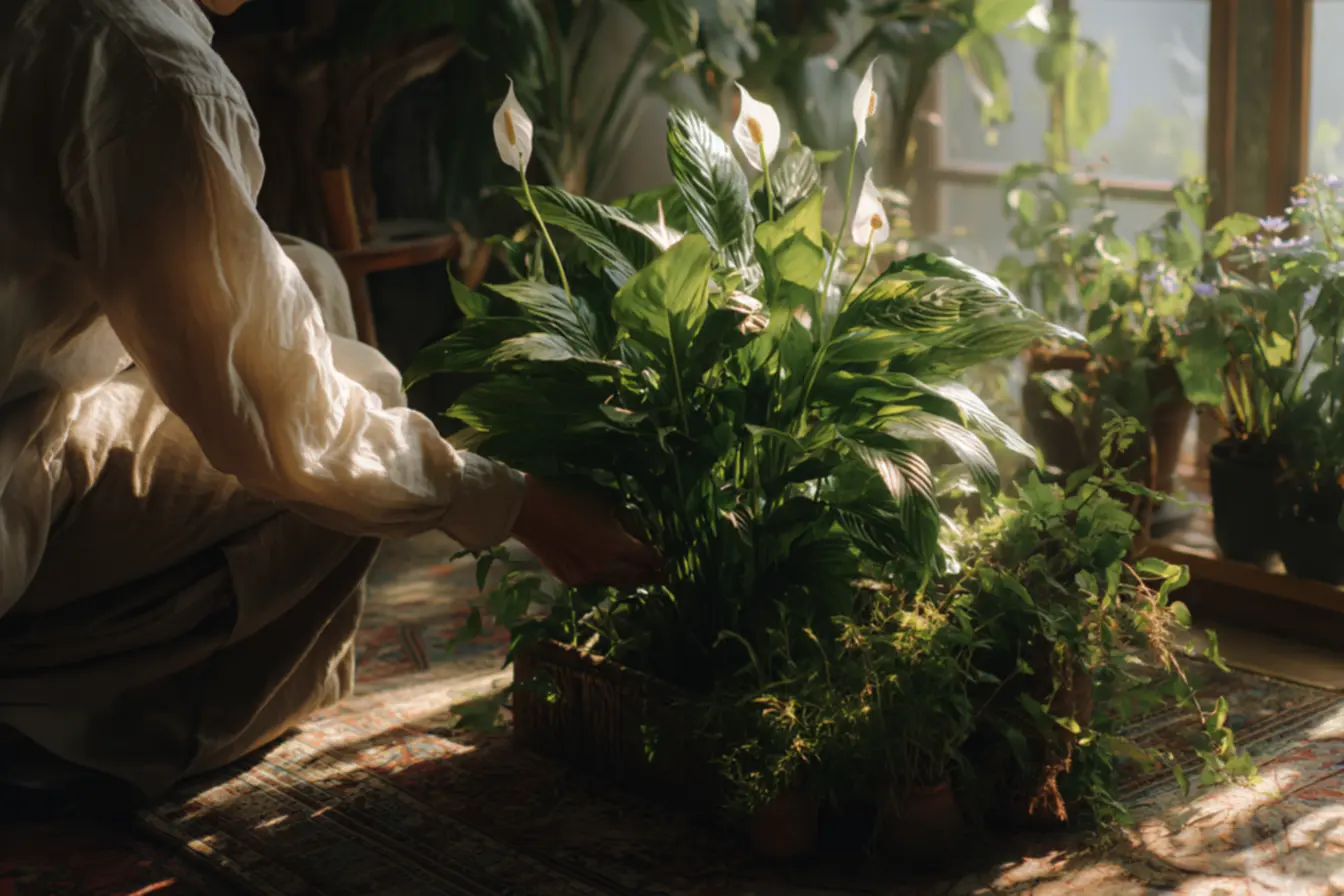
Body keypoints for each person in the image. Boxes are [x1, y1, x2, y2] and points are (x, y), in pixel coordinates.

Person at [0, 0, 661, 803]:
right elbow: (293, 427)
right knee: (357, 413)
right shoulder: (147, 65)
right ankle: (73, 726)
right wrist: (516, 504)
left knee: (306, 275)